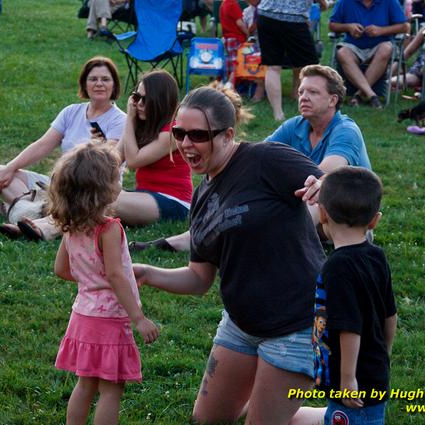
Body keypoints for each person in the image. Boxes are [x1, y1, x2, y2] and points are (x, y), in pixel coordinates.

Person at [133, 87, 326, 425]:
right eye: (179, 133)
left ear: (227, 135)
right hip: (241, 325)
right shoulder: (202, 196)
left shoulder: (266, 160)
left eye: (198, 135)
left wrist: (327, 186)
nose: (186, 144)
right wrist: (148, 273)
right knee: (206, 420)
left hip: (296, 325)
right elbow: (199, 278)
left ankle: (340, 418)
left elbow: (334, 183)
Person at [132, 64, 370, 252]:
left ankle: (255, 241)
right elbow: (253, 158)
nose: (303, 97)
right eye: (301, 92)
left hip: (346, 218)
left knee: (311, 196)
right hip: (306, 217)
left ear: (333, 100)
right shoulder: (295, 126)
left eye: (313, 92)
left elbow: (325, 175)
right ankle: (182, 241)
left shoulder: (345, 130)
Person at [2, 70, 193, 241]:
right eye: (136, 97)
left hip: (173, 202)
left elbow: (134, 161)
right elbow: (113, 160)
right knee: (93, 193)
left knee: (103, 199)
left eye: (145, 100)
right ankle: (38, 224)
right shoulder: (143, 128)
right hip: (143, 196)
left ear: (160, 102)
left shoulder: (173, 132)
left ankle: (44, 226)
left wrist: (130, 118)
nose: (139, 104)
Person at [50, 142, 159, 425]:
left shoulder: (71, 227)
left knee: (85, 384)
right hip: (110, 320)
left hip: (83, 316)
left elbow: (61, 269)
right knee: (112, 389)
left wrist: (89, 279)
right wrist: (139, 318)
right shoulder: (109, 229)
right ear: (104, 189)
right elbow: (115, 275)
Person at [0, 56, 126, 239]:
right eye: (93, 79)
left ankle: (25, 213)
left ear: (114, 85)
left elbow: (112, 161)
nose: (99, 84)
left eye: (105, 79)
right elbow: (42, 145)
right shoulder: (71, 112)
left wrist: (100, 144)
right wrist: (10, 168)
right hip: (60, 183)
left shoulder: (120, 120)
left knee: (78, 199)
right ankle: (37, 210)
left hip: (92, 188)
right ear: (85, 84)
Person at [314, 166, 397, 425]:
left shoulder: (337, 267)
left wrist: (348, 379)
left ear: (322, 214)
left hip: (353, 380)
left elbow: (349, 327)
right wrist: (385, 353)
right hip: (372, 369)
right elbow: (390, 313)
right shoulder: (376, 255)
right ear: (375, 220)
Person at [329, 0, 409, 108]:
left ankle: (358, 95)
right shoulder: (344, 2)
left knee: (386, 48)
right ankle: (371, 95)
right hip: (353, 45)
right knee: (342, 52)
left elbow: (404, 26)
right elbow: (332, 25)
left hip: (379, 45)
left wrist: (381, 31)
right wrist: (348, 27)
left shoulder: (389, 2)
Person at [257, 0, 319, 120]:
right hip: (294, 18)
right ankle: (312, 109)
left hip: (266, 15)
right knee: (311, 67)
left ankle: (278, 114)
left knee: (272, 67)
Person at [220, 0, 250, 82]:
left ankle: (227, 81)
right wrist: (248, 33)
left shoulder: (224, 3)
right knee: (237, 63)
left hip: (227, 38)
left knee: (230, 61)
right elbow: (239, 23)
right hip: (236, 37)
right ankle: (232, 83)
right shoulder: (232, 4)